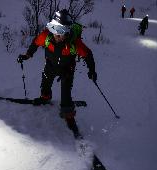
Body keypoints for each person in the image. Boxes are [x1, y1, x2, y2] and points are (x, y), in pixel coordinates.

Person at [17, 9, 97, 138]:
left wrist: (92, 71)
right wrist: (27, 55)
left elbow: (88, 55)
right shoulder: (46, 36)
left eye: (61, 32)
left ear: (67, 31)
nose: (57, 35)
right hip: (50, 65)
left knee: (66, 92)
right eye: (55, 31)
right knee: (45, 82)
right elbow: (35, 44)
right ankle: (45, 97)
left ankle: (68, 114)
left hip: (67, 69)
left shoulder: (74, 43)